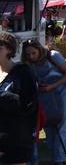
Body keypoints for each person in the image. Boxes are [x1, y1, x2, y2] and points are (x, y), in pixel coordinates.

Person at [22, 40, 66, 165]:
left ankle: (60, 159)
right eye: (28, 54)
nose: (31, 57)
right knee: (48, 123)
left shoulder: (53, 55)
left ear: (39, 50)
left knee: (63, 124)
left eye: (33, 53)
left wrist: (52, 86)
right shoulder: (28, 63)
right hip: (46, 93)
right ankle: (55, 156)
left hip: (65, 89)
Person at [0, 32, 39, 165]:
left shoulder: (23, 73)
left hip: (15, 143)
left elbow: (28, 105)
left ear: (9, 50)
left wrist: (1, 95)